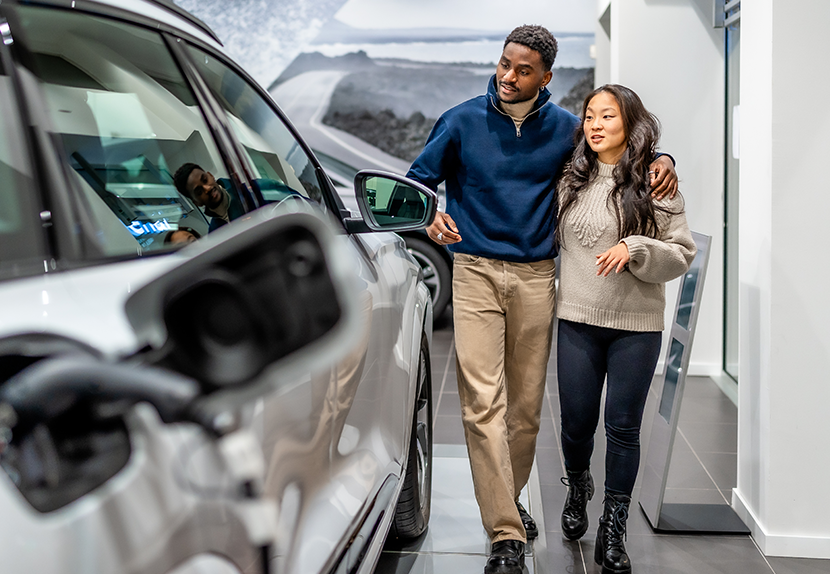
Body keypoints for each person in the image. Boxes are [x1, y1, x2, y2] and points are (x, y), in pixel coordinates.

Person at [406, 25, 678, 574]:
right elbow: (418, 181)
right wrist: (430, 213)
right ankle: (505, 531)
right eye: (505, 64)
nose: (508, 76)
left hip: (536, 277)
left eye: (523, 69)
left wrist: (664, 158)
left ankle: (508, 498)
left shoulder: (564, 131)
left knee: (526, 410)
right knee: (483, 403)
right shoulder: (460, 120)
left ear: (545, 77)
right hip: (475, 271)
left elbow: (617, 149)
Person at [554, 84, 696, 574]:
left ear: (628, 124)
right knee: (575, 424)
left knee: (623, 428)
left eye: (607, 116)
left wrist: (637, 247)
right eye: (589, 115)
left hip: (635, 326)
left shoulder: (657, 183)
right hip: (575, 319)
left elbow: (680, 254)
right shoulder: (569, 177)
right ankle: (578, 485)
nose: (594, 125)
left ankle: (615, 525)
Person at [173, 163, 244, 232]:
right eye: (199, 192)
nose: (208, 189)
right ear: (197, 202)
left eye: (205, 180)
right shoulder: (214, 231)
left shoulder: (247, 192)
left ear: (211, 175)